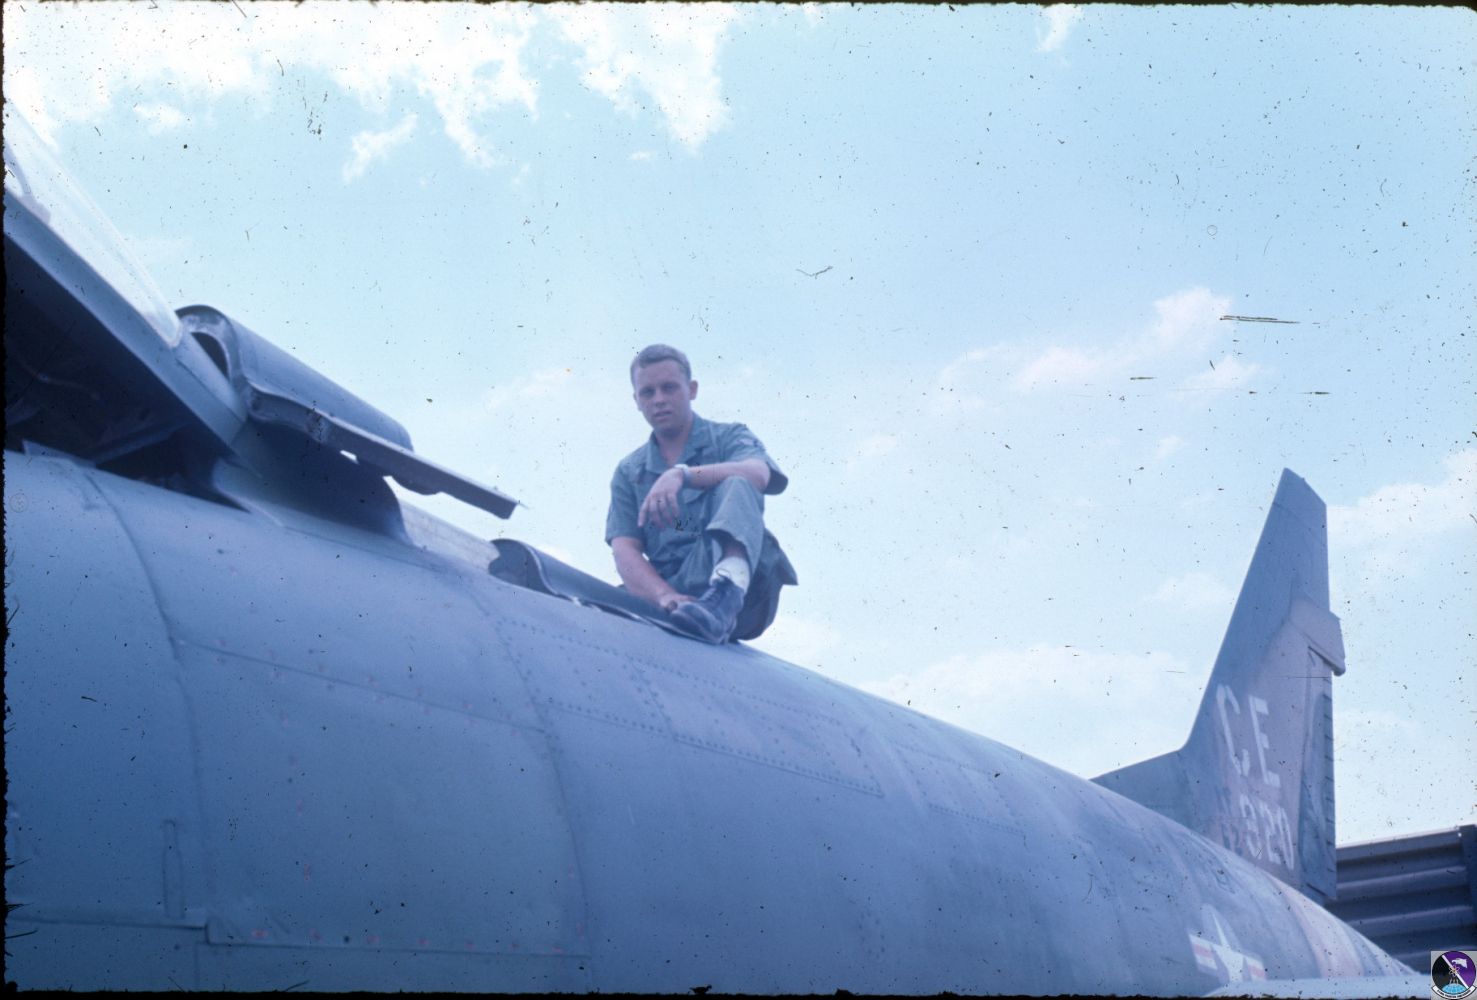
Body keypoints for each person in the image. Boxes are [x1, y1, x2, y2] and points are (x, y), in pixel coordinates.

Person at [606, 344, 796, 644]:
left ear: (691, 390)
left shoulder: (729, 437)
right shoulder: (630, 471)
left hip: (746, 599)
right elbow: (624, 548)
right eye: (648, 392)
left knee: (737, 482)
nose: (659, 400)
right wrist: (664, 596)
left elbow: (759, 474)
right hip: (674, 594)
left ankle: (726, 590)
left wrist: (682, 475)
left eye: (669, 388)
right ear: (637, 401)